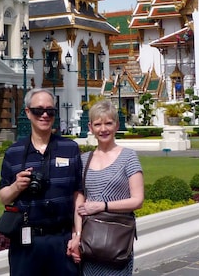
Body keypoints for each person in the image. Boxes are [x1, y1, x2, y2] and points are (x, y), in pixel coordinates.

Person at [0, 88, 84, 276]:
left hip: (61, 239)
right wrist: (16, 186)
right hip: (26, 240)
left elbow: (78, 194)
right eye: (38, 110)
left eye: (50, 111)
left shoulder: (69, 148)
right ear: (28, 112)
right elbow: (3, 197)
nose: (44, 115)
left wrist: (77, 235)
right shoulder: (14, 152)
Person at [68, 99, 144, 275]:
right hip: (90, 241)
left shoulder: (129, 157)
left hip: (117, 241)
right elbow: (79, 204)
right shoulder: (84, 160)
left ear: (116, 126)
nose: (103, 129)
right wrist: (77, 236)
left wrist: (103, 206)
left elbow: (138, 200)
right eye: (98, 124)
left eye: (108, 123)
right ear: (90, 127)